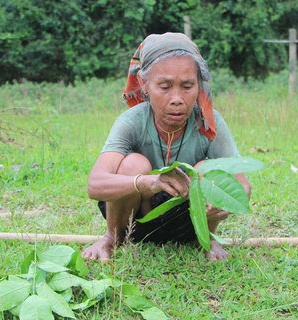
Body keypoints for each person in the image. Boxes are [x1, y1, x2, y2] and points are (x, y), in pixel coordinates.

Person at [82, 32, 251, 262]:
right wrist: (146, 182)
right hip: (134, 225)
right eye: (165, 86)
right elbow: (95, 184)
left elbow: (242, 184)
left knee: (207, 168)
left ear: (198, 85)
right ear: (144, 84)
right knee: (134, 164)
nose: (177, 98)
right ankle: (112, 237)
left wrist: (225, 204)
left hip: (188, 227)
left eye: (187, 86)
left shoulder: (210, 122)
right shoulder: (132, 121)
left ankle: (207, 239)